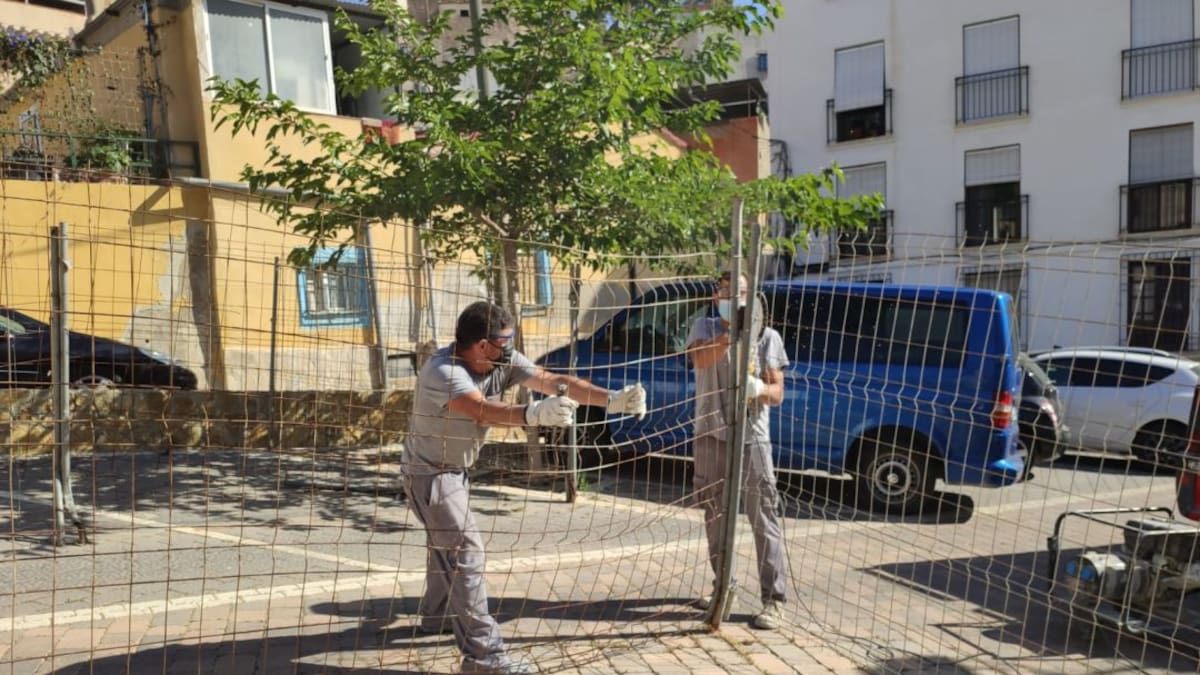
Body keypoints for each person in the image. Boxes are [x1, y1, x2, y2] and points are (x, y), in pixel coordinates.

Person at [402, 300, 647, 674]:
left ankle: (436, 617)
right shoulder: (442, 372)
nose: (512, 345)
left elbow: (552, 381)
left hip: (455, 471)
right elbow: (482, 409)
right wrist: (532, 414)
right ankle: (485, 659)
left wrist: (611, 399)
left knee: (447, 547)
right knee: (465, 553)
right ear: (482, 345)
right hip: (430, 473)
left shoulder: (502, 359)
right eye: (505, 339)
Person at [686, 271, 788, 630]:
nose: (735, 298)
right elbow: (699, 360)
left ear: (753, 297)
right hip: (710, 434)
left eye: (742, 293)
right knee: (714, 516)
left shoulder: (768, 338)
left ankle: (772, 599)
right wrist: (734, 333)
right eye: (728, 292)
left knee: (763, 518)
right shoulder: (704, 327)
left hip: (752, 439)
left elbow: (777, 394)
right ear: (717, 298)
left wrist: (758, 386)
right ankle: (722, 588)